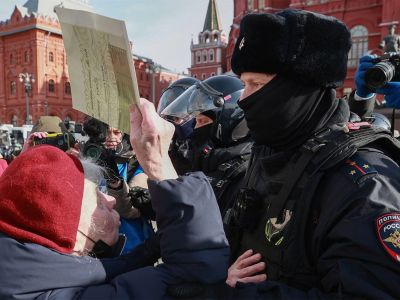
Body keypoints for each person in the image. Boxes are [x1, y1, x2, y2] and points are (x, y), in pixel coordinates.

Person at [217, 9, 400, 298]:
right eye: (243, 83)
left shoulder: (362, 183)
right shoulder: (270, 151)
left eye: (257, 84)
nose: (243, 100)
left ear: (300, 90)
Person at [0, 97, 230, 299]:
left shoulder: (29, 270)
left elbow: (102, 269)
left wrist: (156, 245)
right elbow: (194, 286)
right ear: (72, 233)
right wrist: (160, 163)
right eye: (98, 201)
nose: (110, 200)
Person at [161, 75, 253, 218]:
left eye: (203, 121)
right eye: (195, 122)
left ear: (228, 121)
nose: (196, 128)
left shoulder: (243, 171)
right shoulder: (205, 158)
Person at [82, 117, 154, 254]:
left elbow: (132, 210)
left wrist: (115, 181)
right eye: (105, 132)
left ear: (125, 134)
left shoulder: (137, 162)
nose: (111, 138)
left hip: (131, 246)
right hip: (92, 244)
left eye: (116, 132)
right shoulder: (88, 155)